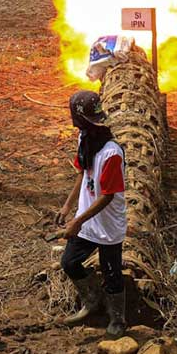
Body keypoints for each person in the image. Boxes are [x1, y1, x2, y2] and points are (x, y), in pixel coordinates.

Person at [56, 91, 127, 334]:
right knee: (70, 262)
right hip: (86, 220)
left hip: (107, 223)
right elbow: (82, 173)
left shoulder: (111, 153)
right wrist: (67, 206)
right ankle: (92, 299)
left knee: (112, 273)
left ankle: (118, 318)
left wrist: (77, 221)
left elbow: (107, 195)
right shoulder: (85, 139)